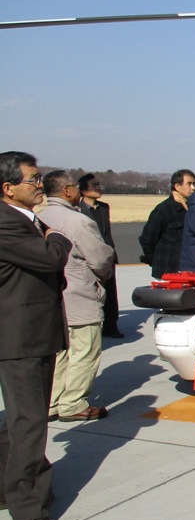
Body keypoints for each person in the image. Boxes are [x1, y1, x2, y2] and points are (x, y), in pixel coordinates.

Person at [0, 151, 72, 520]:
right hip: (20, 338)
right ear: (7, 188)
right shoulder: (6, 222)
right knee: (29, 422)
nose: (39, 184)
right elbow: (50, 257)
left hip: (29, 334)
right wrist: (58, 235)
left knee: (19, 419)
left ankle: (10, 489)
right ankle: (27, 509)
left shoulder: (25, 219)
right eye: (32, 179)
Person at [38, 171, 115, 422]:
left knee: (59, 353)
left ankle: (52, 401)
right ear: (67, 191)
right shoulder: (78, 221)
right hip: (79, 294)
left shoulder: (38, 218)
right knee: (84, 350)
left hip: (51, 297)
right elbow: (101, 258)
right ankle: (73, 403)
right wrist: (99, 281)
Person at [77, 173, 122, 338]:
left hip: (106, 256)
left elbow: (107, 233)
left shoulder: (104, 208)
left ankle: (111, 325)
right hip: (89, 256)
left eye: (98, 184)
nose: (98, 188)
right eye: (94, 185)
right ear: (82, 190)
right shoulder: (78, 209)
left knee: (111, 292)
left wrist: (111, 254)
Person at [139, 169, 195, 279]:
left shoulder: (192, 209)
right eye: (189, 184)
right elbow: (147, 239)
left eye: (194, 184)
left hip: (187, 270)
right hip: (166, 273)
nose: (193, 188)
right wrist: (156, 261)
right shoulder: (164, 210)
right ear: (177, 186)